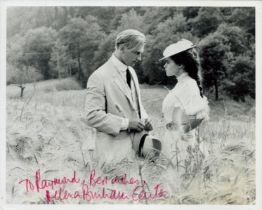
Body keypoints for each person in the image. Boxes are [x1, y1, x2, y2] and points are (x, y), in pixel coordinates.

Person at [85, 29, 157, 167]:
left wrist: (145, 119)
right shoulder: (98, 76)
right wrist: (126, 123)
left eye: (141, 53)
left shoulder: (132, 72)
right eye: (137, 53)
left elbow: (136, 105)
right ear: (122, 48)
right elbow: (92, 116)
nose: (140, 58)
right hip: (112, 154)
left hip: (136, 150)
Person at [160, 39, 209, 176]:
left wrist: (179, 128)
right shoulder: (181, 84)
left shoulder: (189, 85)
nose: (164, 66)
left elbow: (199, 116)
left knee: (181, 180)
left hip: (182, 145)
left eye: (168, 62)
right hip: (173, 142)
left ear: (180, 64)